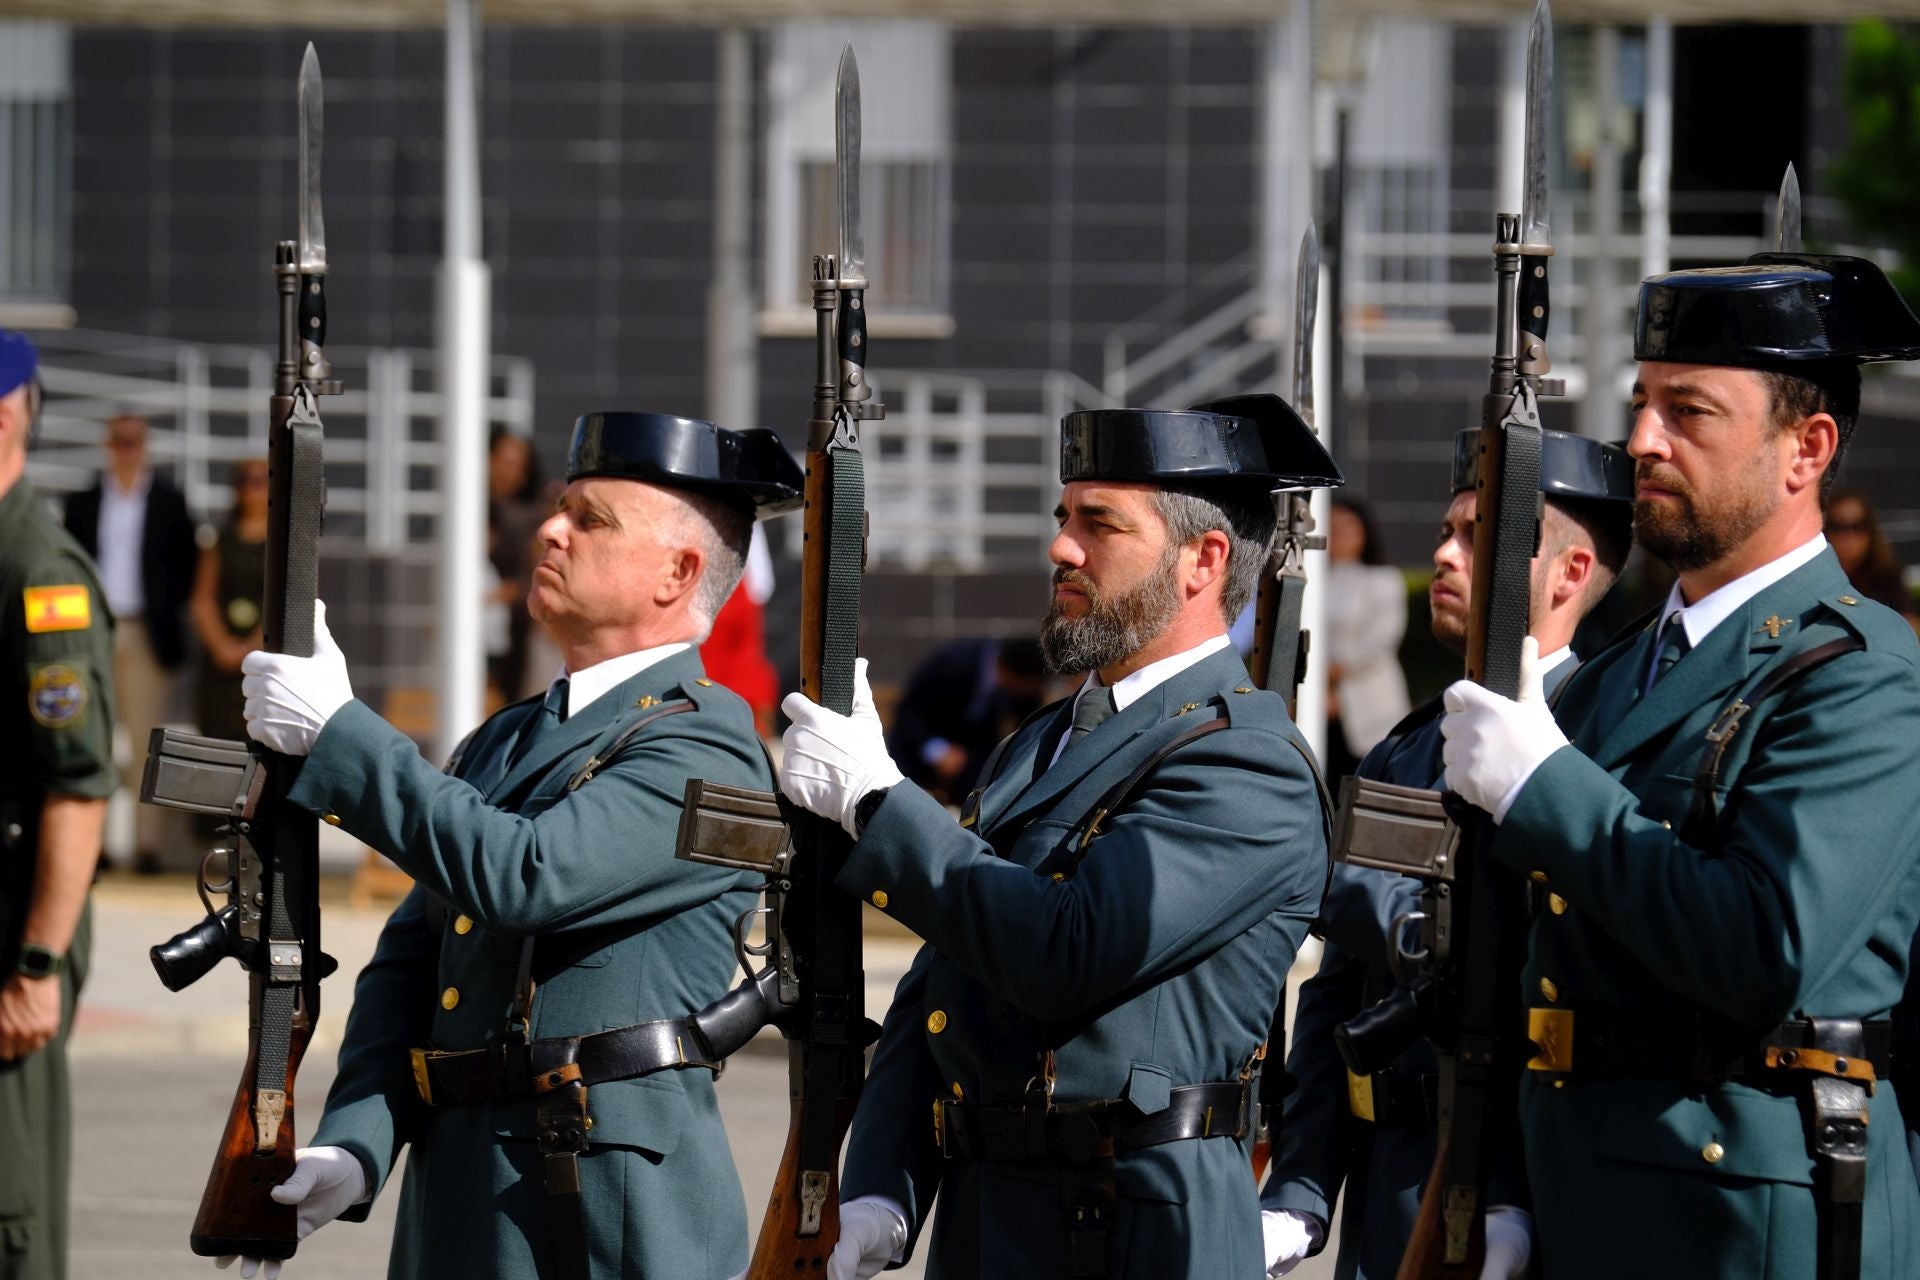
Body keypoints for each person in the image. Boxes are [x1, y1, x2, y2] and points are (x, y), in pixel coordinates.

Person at [776, 396, 1342, 1279]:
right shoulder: (1043, 740)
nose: (1061, 547)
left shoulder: (1246, 763)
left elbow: (1064, 948)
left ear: (1205, 560)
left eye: (1100, 524)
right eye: (1062, 517)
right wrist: (883, 1189)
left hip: (1131, 1234)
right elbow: (945, 979)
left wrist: (878, 803)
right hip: (987, 1223)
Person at [231, 412, 805, 1280]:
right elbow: (414, 963)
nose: (550, 528)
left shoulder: (705, 746)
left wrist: (340, 735)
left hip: (604, 1214)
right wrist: (357, 1140)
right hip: (463, 1206)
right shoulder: (504, 740)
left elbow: (525, 875)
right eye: (557, 507)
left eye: (591, 518)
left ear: (678, 572)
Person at [1441, 252, 1920, 1279]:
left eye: (1690, 411)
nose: (1643, 441)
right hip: (1581, 1207)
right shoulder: (1607, 676)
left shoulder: (1865, 676)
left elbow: (1764, 942)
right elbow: (1529, 969)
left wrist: (1544, 787)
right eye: (1642, 403)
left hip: (1745, 1224)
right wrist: (1512, 1188)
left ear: (1807, 448)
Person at [1261, 429, 1635, 1279]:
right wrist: (1302, 1190)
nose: (1445, 554)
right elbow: (1338, 991)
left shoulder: (1603, 745)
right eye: (1445, 531)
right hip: (1394, 1183)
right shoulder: (1410, 743)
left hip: (1542, 1192)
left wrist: (1513, 1193)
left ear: (1571, 574)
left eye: (1480, 536)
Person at [0, 329, 117, 1280]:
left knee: (9, 1208)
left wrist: (38, 963)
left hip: (7, 948)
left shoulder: (40, 578)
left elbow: (77, 787)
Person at [62, 412, 197, 873]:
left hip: (144, 631)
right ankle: (91, 845)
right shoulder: (84, 501)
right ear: (107, 445)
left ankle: (147, 846)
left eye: (133, 441)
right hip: (95, 628)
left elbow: (186, 564)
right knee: (94, 739)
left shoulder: (168, 501)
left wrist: (165, 609)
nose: (125, 450)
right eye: (118, 441)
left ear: (145, 446)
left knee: (144, 742)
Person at [885, 636, 1050, 804]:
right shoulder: (953, 662)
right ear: (1011, 674)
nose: (1027, 696)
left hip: (968, 764)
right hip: (918, 752)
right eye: (1026, 688)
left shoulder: (1025, 688)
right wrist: (937, 751)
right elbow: (908, 713)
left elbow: (1026, 729)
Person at [1322, 496, 1410, 781]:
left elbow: (1382, 638)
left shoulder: (1383, 578)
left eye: (1348, 527)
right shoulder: (1313, 578)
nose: (1339, 535)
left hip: (1365, 696)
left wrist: (1333, 672)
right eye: (1332, 527)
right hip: (1320, 701)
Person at [189, 458, 268, 743]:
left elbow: (296, 603)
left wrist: (255, 647)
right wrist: (223, 647)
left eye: (259, 481)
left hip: (265, 662)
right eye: (243, 481)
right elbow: (202, 599)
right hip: (222, 665)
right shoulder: (219, 541)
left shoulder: (286, 544)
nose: (251, 490)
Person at [486, 427, 545, 705]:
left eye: (520, 465)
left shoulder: (532, 515)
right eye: (505, 461)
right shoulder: (468, 505)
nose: (513, 472)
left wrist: (511, 591)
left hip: (519, 626)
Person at [1825, 487, 1915, 625]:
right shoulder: (1817, 578)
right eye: (1838, 527)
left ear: (1870, 531)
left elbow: (1909, 625)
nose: (1848, 536)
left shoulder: (1888, 578)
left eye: (1857, 526)